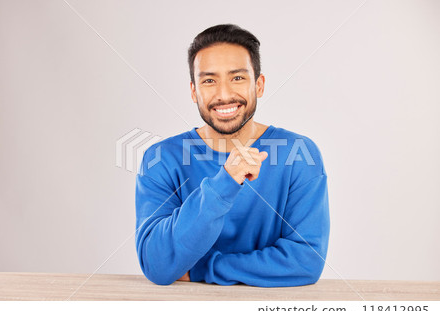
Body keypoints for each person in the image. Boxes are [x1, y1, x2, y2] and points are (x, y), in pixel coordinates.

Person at [135, 24, 330, 287]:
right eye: (209, 80)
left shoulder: (300, 154)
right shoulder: (161, 158)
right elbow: (157, 264)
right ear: (194, 91)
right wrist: (225, 182)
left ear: (259, 85)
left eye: (237, 78)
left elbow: (306, 262)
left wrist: (203, 269)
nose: (224, 94)